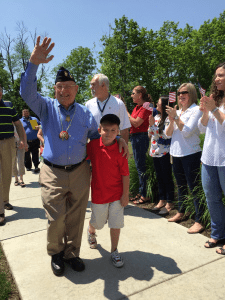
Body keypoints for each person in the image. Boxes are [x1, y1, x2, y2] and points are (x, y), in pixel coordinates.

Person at [20, 36, 128, 276]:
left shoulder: (85, 113)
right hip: (52, 171)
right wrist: (33, 64)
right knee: (56, 217)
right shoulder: (45, 106)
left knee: (77, 216)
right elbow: (26, 92)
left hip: (80, 171)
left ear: (76, 89)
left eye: (68, 87)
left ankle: (72, 253)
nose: (64, 90)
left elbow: (98, 136)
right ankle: (56, 254)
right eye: (60, 87)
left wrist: (117, 137)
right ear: (55, 90)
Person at [87, 114, 129, 267]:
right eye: (106, 130)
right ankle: (91, 231)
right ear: (99, 130)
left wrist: (125, 195)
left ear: (118, 132)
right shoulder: (92, 146)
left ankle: (114, 251)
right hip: (99, 194)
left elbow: (125, 174)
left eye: (113, 130)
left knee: (115, 224)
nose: (109, 133)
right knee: (98, 223)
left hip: (117, 195)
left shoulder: (120, 149)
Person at [165, 83, 204, 234]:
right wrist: (173, 118)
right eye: (179, 93)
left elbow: (187, 132)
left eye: (184, 92)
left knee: (194, 187)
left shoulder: (196, 111)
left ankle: (199, 220)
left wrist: (176, 118)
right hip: (176, 153)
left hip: (191, 153)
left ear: (192, 94)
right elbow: (168, 134)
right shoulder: (178, 111)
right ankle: (181, 212)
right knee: (181, 186)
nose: (181, 95)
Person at [199, 62, 225, 254]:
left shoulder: (217, 103)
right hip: (209, 157)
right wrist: (206, 111)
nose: (216, 79)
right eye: (216, 76)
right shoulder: (214, 99)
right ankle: (218, 234)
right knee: (212, 198)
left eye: (221, 75)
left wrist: (215, 109)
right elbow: (202, 127)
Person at [0, 83, 25, 226]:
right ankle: (0, 212)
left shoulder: (9, 106)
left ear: (2, 92)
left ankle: (5, 201)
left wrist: (21, 139)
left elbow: (18, 124)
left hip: (8, 143)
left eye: (0, 91)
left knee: (7, 174)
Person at [148, 95, 174, 215]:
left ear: (164, 105)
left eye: (158, 103)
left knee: (167, 177)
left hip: (165, 152)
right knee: (159, 177)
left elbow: (164, 136)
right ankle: (162, 199)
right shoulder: (156, 117)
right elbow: (151, 134)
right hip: (155, 151)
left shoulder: (169, 119)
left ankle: (170, 201)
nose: (156, 105)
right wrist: (151, 126)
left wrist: (153, 127)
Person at [86, 74, 130, 144]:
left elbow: (124, 128)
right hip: (94, 145)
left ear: (103, 85)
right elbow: (85, 129)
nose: (91, 87)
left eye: (93, 85)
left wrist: (124, 150)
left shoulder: (118, 103)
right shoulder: (88, 104)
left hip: (113, 144)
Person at [127, 86, 152, 204]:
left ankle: (145, 195)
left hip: (141, 137)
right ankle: (142, 192)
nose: (131, 96)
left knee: (141, 166)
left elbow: (136, 123)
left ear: (140, 95)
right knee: (138, 166)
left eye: (133, 93)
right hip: (135, 137)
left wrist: (125, 112)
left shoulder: (147, 105)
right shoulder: (137, 107)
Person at [20, 109, 41, 173]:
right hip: (25, 141)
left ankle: (36, 166)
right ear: (22, 114)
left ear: (29, 113)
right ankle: (28, 167)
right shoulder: (20, 121)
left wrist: (38, 126)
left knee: (35, 154)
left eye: (26, 112)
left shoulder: (34, 119)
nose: (25, 113)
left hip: (35, 140)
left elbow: (41, 125)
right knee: (26, 155)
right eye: (24, 112)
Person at [12, 123, 28, 187]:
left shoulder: (19, 124)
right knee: (13, 162)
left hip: (20, 144)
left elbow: (24, 134)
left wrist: (25, 144)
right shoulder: (7, 123)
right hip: (11, 144)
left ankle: (21, 179)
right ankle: (16, 178)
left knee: (20, 161)